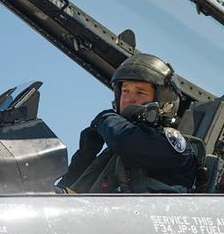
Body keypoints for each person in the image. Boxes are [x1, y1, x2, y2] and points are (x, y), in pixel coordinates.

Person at [58, 54, 198, 193]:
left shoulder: (173, 148)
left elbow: (132, 144)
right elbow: (67, 191)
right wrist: (85, 156)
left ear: (164, 101)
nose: (129, 99)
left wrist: (105, 118)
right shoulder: (115, 151)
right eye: (125, 91)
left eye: (140, 92)